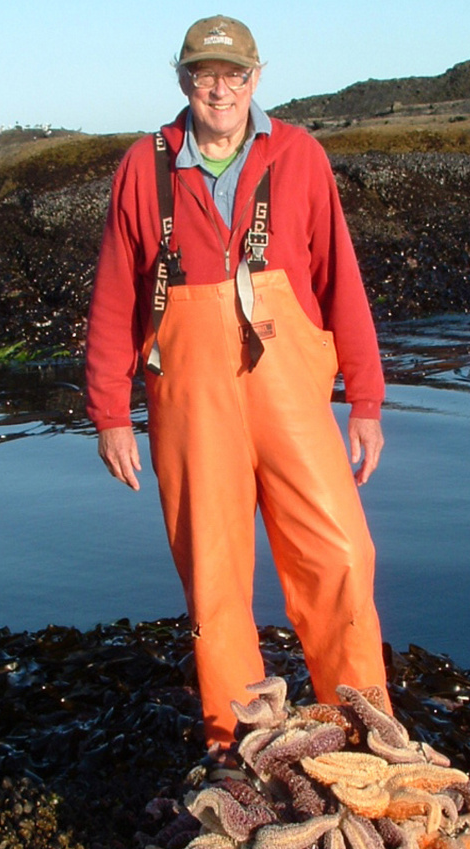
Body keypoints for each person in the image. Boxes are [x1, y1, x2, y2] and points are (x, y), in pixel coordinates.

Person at [85, 15, 391, 749]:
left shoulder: (300, 154)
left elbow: (341, 280)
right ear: (182, 78)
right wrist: (110, 414)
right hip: (190, 400)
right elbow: (115, 295)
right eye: (203, 74)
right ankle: (238, 746)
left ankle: (365, 731)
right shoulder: (143, 166)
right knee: (215, 581)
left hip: (290, 392)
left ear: (256, 78)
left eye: (233, 74)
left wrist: (366, 399)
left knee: (343, 555)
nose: (219, 89)